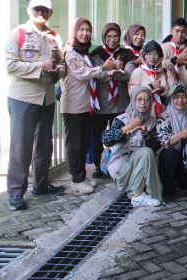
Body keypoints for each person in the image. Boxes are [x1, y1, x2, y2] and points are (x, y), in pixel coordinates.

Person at [5, 0, 65, 210]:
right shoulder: (17, 33)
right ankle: (15, 193)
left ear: (50, 13)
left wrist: (58, 70)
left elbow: (61, 64)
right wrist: (41, 66)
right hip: (23, 99)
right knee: (21, 148)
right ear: (29, 10)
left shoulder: (54, 37)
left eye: (45, 10)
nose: (40, 13)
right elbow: (11, 66)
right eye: (36, 9)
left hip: (47, 99)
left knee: (45, 146)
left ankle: (41, 185)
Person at [61, 18, 112, 194]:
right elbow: (82, 73)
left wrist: (110, 71)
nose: (85, 33)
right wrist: (103, 68)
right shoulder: (70, 52)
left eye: (88, 30)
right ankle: (76, 179)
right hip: (73, 105)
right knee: (74, 144)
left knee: (83, 143)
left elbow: (92, 75)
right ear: (74, 32)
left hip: (86, 105)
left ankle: (81, 176)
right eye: (81, 29)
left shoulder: (83, 53)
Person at [101, 85, 163, 207]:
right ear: (133, 101)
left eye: (147, 99)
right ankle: (137, 195)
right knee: (145, 152)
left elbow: (155, 148)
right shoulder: (122, 119)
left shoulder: (152, 122)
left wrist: (147, 135)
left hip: (140, 168)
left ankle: (142, 191)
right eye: (139, 99)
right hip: (121, 168)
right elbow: (106, 139)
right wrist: (129, 126)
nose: (143, 103)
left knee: (148, 152)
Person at [90, 22, 129, 179]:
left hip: (120, 103)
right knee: (98, 137)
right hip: (101, 103)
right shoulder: (96, 54)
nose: (112, 39)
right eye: (109, 36)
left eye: (116, 36)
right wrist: (113, 71)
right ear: (104, 37)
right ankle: (98, 166)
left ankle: (117, 166)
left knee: (119, 136)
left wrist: (112, 72)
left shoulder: (126, 53)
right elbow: (96, 76)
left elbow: (128, 75)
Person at [156, 83, 187, 197]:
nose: (180, 100)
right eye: (176, 97)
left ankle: (181, 180)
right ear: (170, 99)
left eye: (183, 97)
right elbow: (165, 142)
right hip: (169, 158)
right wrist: (185, 132)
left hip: (186, 156)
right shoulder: (164, 116)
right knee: (170, 154)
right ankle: (167, 187)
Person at [128, 40, 173, 117]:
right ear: (144, 56)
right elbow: (132, 92)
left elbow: (173, 91)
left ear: (160, 56)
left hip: (164, 111)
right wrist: (150, 87)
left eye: (155, 54)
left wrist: (163, 90)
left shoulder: (166, 71)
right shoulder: (138, 71)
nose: (152, 57)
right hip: (144, 112)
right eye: (149, 54)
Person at [161, 18, 187, 94]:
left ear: (186, 33)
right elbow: (159, 66)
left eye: (183, 32)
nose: (180, 34)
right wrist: (176, 59)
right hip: (167, 91)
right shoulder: (163, 48)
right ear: (171, 31)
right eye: (177, 31)